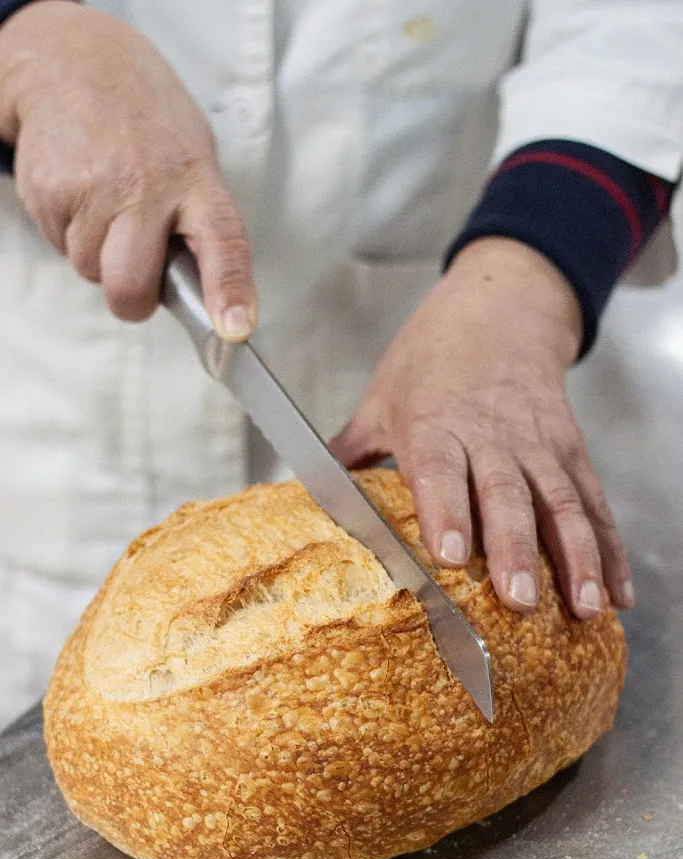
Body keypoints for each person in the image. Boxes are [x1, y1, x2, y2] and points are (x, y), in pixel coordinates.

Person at [0, 0, 680, 727]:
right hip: (47, 495)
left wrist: (527, 277)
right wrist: (24, 39)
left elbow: (630, 32)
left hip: (470, 415)